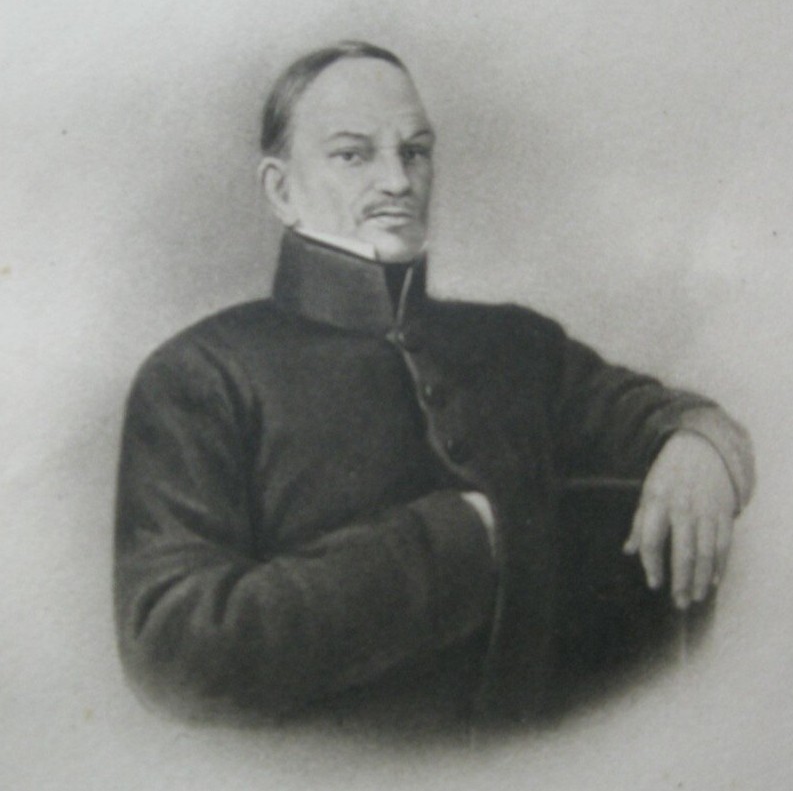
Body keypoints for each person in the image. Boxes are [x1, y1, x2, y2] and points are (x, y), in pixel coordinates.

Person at [114, 41, 754, 728]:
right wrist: (460, 539)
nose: (398, 180)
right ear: (279, 189)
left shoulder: (518, 343)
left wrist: (701, 446)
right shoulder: (199, 375)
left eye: (415, 152)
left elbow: (661, 416)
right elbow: (173, 652)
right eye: (354, 154)